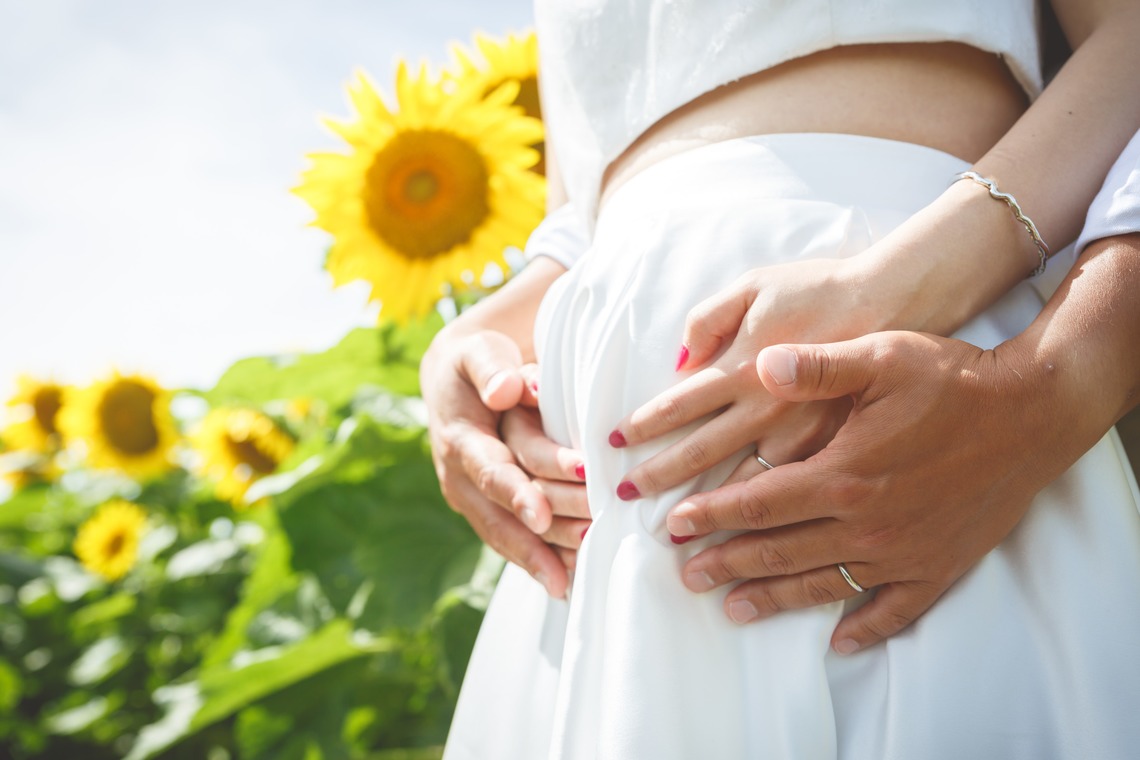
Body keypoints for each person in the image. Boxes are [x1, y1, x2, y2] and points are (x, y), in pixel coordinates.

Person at [421, 1, 1140, 757]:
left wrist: (1024, 362)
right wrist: (482, 332)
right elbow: (592, 184)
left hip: (921, 394)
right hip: (597, 531)